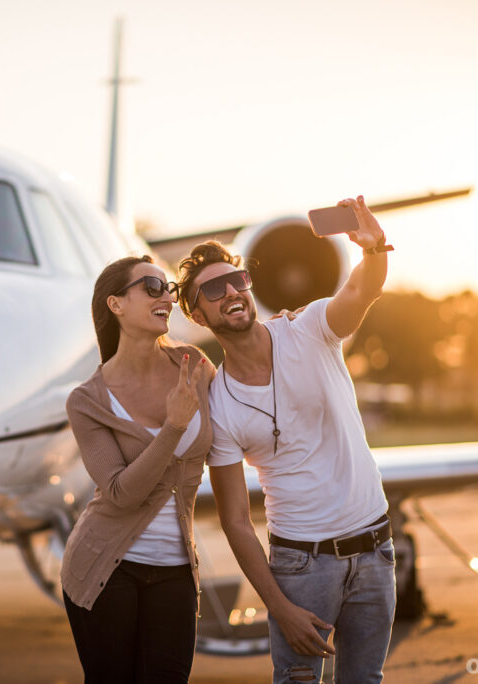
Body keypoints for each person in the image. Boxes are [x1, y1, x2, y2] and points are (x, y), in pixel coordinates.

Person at [176, 196, 396, 683]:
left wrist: (373, 250)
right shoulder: (219, 403)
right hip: (302, 566)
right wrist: (280, 607)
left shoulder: (310, 329)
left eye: (237, 279)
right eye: (213, 289)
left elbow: (363, 291)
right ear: (196, 314)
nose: (231, 291)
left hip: (376, 551)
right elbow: (235, 520)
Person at [62, 255, 215, 683]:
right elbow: (120, 492)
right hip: (104, 567)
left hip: (176, 569)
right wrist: (174, 426)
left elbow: (248, 400)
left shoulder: (196, 366)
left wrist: (282, 331)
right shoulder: (86, 400)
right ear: (116, 304)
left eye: (167, 287)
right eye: (150, 287)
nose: (166, 295)